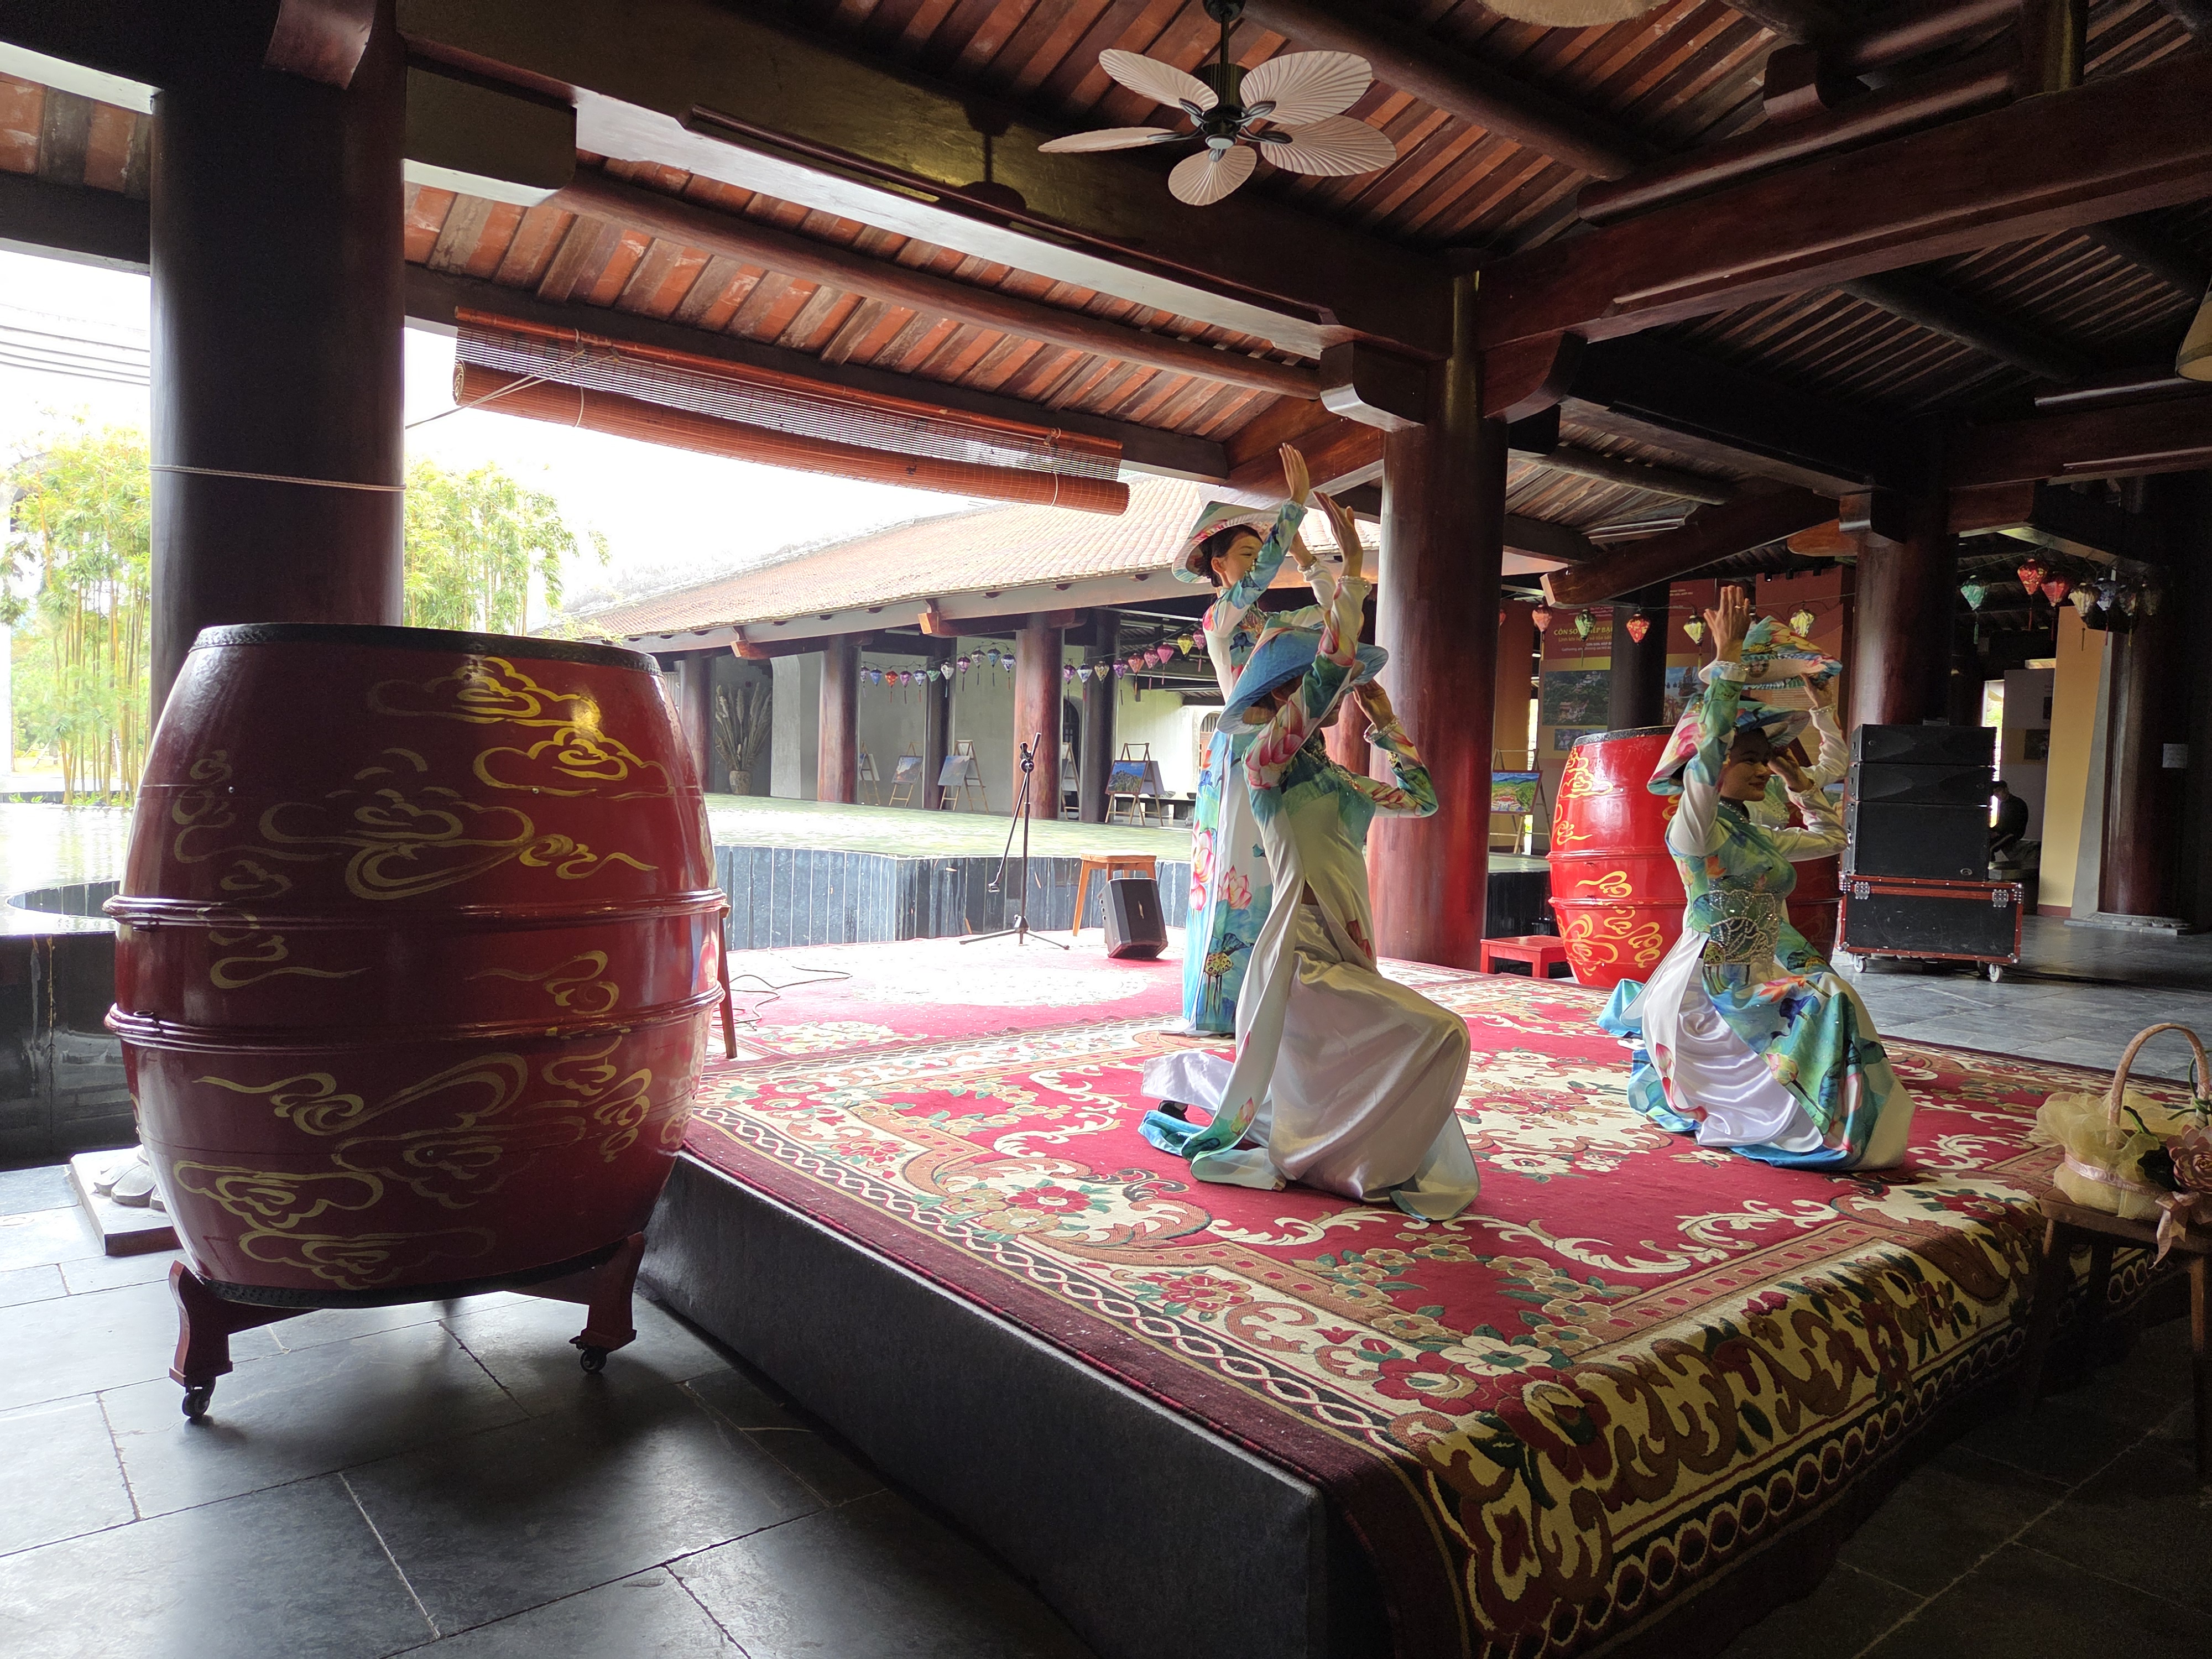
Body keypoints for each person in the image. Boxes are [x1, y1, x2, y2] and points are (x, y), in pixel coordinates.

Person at [1141, 521, 1481, 1220]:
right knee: (1440, 1034)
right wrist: (1347, 573)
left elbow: (1422, 800)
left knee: (1348, 1068)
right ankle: (1347, 1162)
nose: (1319, 699)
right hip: (1300, 957)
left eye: (1314, 690)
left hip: (1346, 948)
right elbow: (1329, 670)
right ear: (1275, 701)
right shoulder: (1263, 765)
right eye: (1298, 689)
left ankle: (1331, 1147)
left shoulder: (1336, 780)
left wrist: (1387, 725)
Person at [1599, 587, 1916, 1171]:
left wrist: (1802, 777)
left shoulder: (1754, 834)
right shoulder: (1695, 832)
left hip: (1765, 964)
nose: (1762, 770)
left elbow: (1831, 837)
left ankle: (1830, 1121)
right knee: (1825, 1001)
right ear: (1716, 767)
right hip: (1712, 982)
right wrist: (1726, 662)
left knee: (1835, 998)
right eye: (1749, 760)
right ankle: (1808, 1125)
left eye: (1762, 761)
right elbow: (1703, 760)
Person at [1176, 445, 1335, 1035]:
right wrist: (1293, 508)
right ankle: (1224, 1004)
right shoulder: (1218, 618)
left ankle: (1280, 997)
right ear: (1218, 566)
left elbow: (1334, 619)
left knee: (1284, 872)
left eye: (1260, 552)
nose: (1260, 562)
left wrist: (1310, 560)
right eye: (1247, 554)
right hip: (1243, 748)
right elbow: (1261, 578)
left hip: (1283, 744)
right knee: (1239, 874)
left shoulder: (1270, 625)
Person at [1990, 779, 2030, 860]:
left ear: (2006, 789)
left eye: (1999, 791)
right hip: (2005, 832)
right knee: (1986, 843)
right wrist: (1991, 830)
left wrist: (1998, 832)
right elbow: (2001, 823)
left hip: (2013, 833)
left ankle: (1988, 867)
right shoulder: (2004, 804)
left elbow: (2012, 824)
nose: (1997, 795)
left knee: (1990, 848)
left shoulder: (2017, 803)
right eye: (1995, 793)